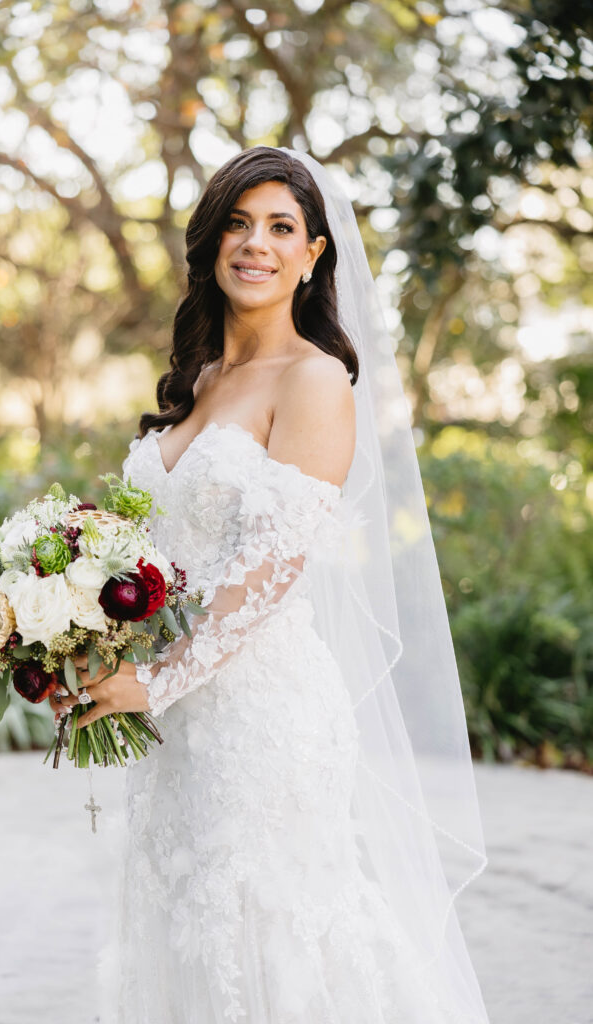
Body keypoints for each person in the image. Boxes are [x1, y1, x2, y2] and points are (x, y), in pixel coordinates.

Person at [51, 146, 490, 1023]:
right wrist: (71, 632)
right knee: (184, 926)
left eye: (280, 228)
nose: (255, 244)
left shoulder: (316, 379)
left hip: (261, 716)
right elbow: (147, 559)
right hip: (173, 725)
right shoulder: (199, 382)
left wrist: (157, 680)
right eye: (238, 224)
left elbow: (268, 573)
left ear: (313, 255)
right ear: (212, 242)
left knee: (272, 936)